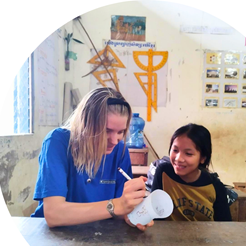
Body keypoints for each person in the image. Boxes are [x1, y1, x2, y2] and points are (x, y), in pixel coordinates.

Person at [31, 87, 154, 231]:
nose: (114, 140)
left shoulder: (120, 150)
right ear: (86, 124)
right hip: (55, 238)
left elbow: (118, 210)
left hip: (99, 236)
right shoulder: (58, 142)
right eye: (106, 131)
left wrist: (131, 215)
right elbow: (54, 214)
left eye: (120, 132)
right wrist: (116, 206)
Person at [151, 123, 231, 221]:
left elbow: (224, 226)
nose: (178, 158)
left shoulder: (215, 187)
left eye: (188, 153)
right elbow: (154, 214)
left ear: (202, 158)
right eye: (175, 150)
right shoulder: (164, 173)